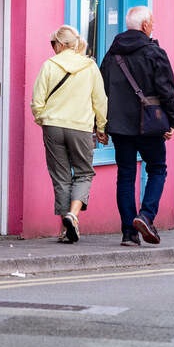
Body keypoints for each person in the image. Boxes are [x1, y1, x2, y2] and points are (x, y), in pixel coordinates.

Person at [101, 5, 174, 246]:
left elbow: (102, 89)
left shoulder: (112, 54)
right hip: (149, 125)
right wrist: (171, 120)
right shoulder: (154, 53)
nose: (153, 25)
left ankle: (128, 233)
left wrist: (102, 123)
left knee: (125, 176)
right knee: (157, 169)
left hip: (119, 125)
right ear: (145, 26)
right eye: (152, 22)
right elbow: (167, 91)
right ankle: (145, 215)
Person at [31, 25, 107, 243]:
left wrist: (42, 119)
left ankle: (66, 229)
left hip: (53, 126)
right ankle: (73, 215)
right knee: (84, 173)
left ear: (61, 45)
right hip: (81, 127)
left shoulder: (49, 66)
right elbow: (100, 101)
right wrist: (101, 127)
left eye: (54, 43)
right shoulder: (89, 67)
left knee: (61, 177)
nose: (53, 47)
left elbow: (37, 101)